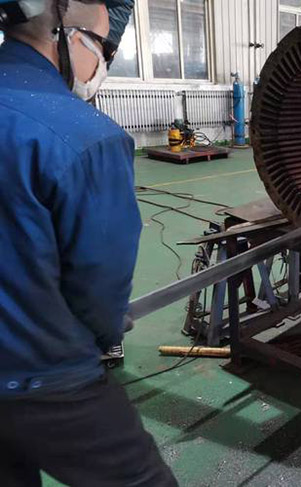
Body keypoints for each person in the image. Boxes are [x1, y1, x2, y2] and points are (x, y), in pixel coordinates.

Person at [0, 1, 178, 485]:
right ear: (67, 35)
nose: (103, 62)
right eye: (103, 47)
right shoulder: (85, 136)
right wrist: (104, 333)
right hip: (42, 373)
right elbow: (100, 283)